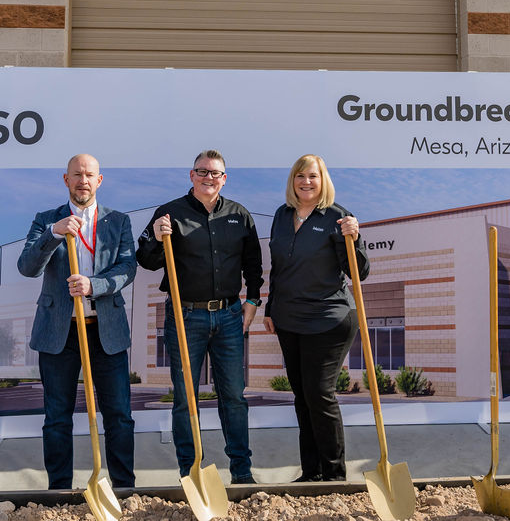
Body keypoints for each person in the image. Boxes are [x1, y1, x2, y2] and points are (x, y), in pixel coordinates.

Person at [136, 149, 262, 485]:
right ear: (191, 175)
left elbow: (253, 264)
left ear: (225, 178)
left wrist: (252, 300)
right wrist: (156, 235)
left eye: (215, 173)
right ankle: (191, 472)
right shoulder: (169, 213)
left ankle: (242, 471)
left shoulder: (239, 215)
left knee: (234, 396)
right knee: (185, 396)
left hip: (229, 317)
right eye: (202, 172)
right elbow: (146, 260)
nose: (209, 178)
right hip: (185, 315)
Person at [17, 154, 137, 489]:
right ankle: (59, 490)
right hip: (59, 333)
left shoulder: (118, 221)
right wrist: (52, 235)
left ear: (99, 181)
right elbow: (27, 267)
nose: (83, 180)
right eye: (77, 174)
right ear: (66, 179)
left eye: (89, 175)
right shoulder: (46, 220)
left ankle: (124, 488)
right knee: (57, 418)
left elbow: (127, 269)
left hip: (105, 330)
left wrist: (93, 285)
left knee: (119, 417)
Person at [262, 154, 369, 482]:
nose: (306, 182)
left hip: (329, 318)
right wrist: (269, 308)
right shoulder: (282, 216)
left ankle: (334, 473)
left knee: (319, 394)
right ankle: (312, 472)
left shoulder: (338, 217)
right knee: (302, 397)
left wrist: (356, 238)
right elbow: (278, 268)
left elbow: (358, 272)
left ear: (323, 181)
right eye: (299, 176)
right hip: (289, 319)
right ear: (292, 181)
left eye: (312, 176)